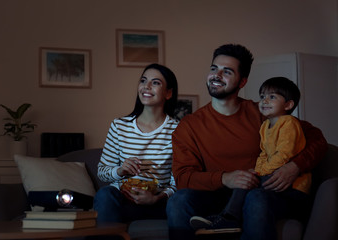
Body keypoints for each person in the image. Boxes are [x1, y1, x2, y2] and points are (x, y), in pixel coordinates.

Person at [166, 44, 328, 240]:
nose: (216, 75)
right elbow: (184, 178)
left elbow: (318, 140)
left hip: (263, 193)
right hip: (218, 196)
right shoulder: (189, 125)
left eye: (227, 71)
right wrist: (225, 178)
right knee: (178, 200)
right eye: (213, 69)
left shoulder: (263, 112)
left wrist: (295, 166)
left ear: (242, 81)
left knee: (255, 198)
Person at [190, 76, 310, 233]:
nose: (264, 101)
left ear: (288, 104)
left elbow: (284, 154)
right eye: (262, 97)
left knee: (249, 182)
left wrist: (263, 171)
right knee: (245, 178)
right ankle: (228, 218)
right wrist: (257, 171)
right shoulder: (265, 125)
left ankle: (228, 218)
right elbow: (263, 154)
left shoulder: (289, 123)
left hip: (292, 187)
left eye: (272, 97)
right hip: (271, 175)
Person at [94, 63, 179, 223]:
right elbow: (102, 172)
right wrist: (120, 170)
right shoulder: (119, 125)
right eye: (143, 81)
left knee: (178, 202)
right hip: (122, 200)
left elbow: (178, 181)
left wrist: (157, 198)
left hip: (158, 203)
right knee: (105, 194)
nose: (146, 87)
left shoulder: (178, 130)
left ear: (168, 93)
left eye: (155, 83)